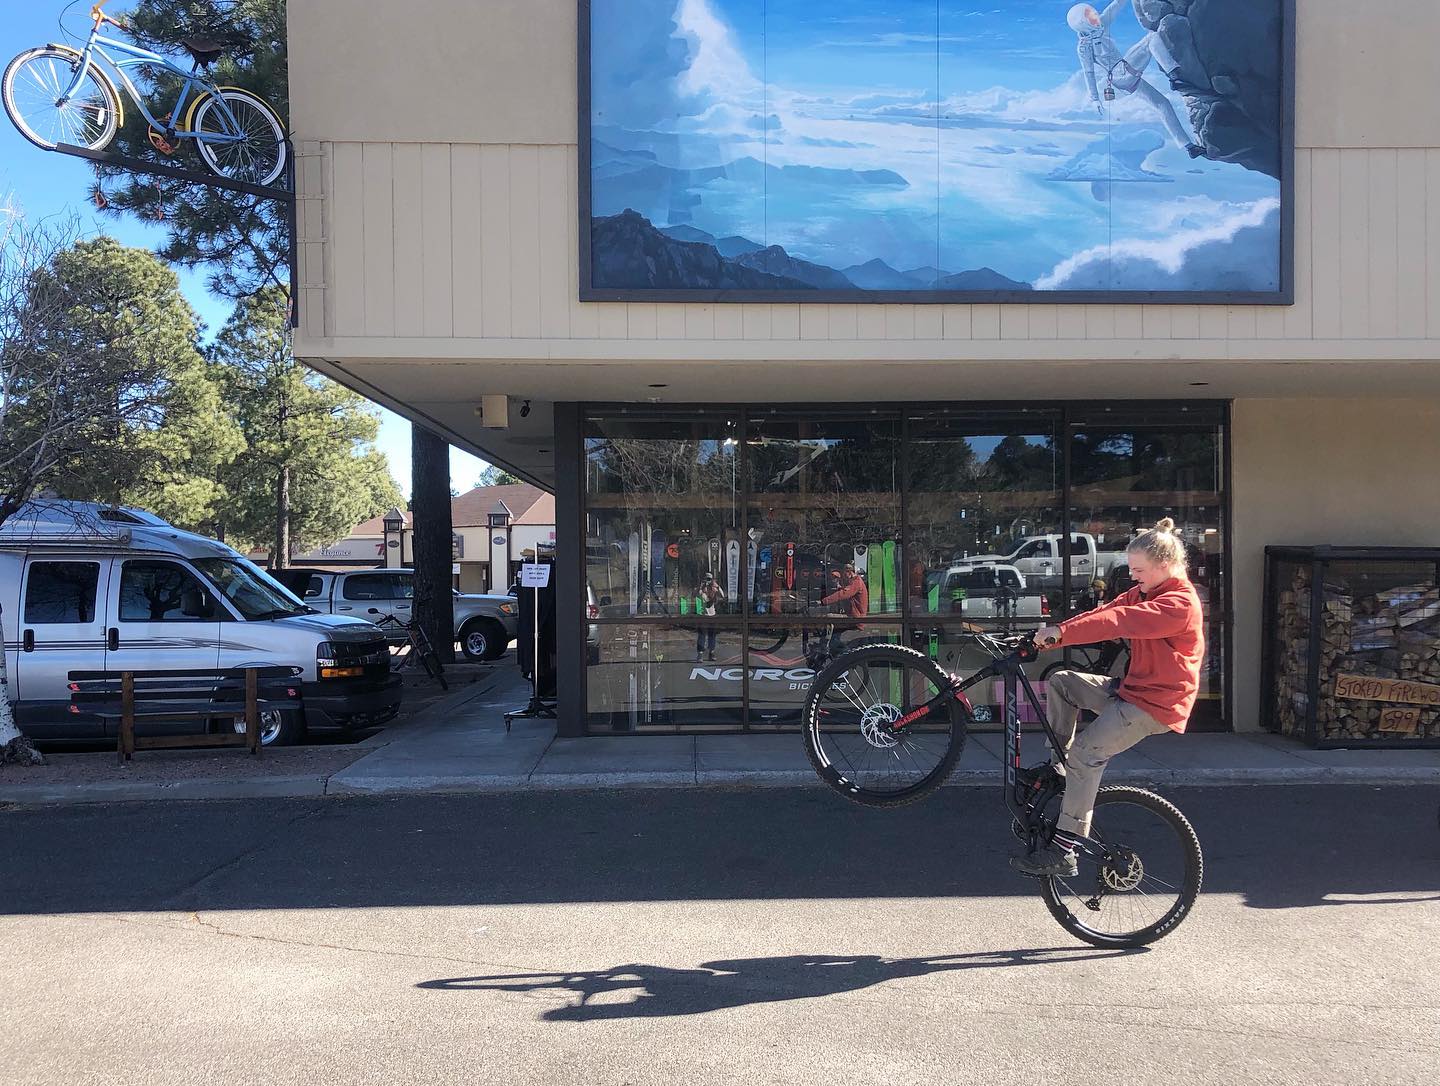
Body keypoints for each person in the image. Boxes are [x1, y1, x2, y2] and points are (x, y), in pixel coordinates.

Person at [1012, 517, 1204, 878]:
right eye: (1131, 569)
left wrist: (1061, 634)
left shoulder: (1178, 604)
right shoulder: (1146, 590)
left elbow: (1119, 622)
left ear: (1165, 565)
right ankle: (1059, 769)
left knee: (1086, 754)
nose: (1134, 576)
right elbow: (1106, 611)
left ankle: (1065, 850)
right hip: (1131, 690)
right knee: (1062, 682)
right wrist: (1050, 633)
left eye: (1139, 569)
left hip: (1154, 706)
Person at [1067, 1, 1204, 157]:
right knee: (1151, 38)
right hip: (1120, 76)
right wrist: (1095, 99)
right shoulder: (1084, 47)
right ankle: (1174, 75)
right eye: (1089, 16)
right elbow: (1088, 73)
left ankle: (1189, 147)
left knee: (1162, 104)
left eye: (1092, 12)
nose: (1094, 15)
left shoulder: (1101, 24)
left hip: (1127, 76)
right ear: (1081, 23)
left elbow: (1116, 5)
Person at [819, 561, 869, 658]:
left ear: (849, 572)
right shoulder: (854, 582)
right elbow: (844, 591)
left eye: (844, 573)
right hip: (854, 616)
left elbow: (843, 594)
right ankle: (835, 649)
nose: (843, 576)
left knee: (828, 617)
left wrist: (823, 602)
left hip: (855, 618)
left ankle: (824, 647)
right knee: (835, 638)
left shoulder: (856, 582)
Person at [694, 571, 725, 662]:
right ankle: (700, 654)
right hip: (702, 615)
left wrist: (717, 587)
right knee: (702, 635)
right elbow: (694, 595)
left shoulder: (714, 589)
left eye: (709, 579)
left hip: (712, 614)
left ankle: (711, 652)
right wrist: (700, 587)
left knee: (712, 635)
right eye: (706, 579)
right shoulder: (701, 589)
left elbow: (722, 595)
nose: (708, 581)